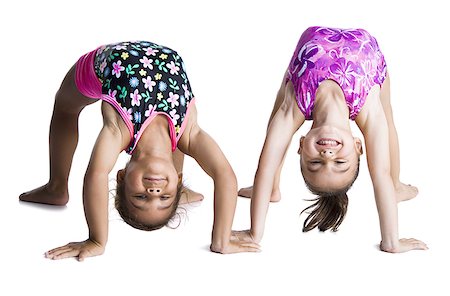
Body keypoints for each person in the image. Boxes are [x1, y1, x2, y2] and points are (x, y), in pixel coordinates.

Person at [19, 40, 260, 261]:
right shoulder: (188, 133)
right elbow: (224, 175)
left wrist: (96, 240)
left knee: (65, 106)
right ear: (176, 182)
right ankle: (179, 190)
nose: (154, 190)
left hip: (103, 63)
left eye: (141, 197)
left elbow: (96, 174)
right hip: (160, 52)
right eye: (164, 197)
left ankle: (57, 187)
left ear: (122, 176)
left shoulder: (119, 132)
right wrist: (222, 239)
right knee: (172, 143)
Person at [235, 26, 427, 253]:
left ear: (300, 144)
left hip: (307, 57)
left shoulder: (296, 105)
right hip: (370, 58)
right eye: (340, 163)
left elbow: (266, 167)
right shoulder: (368, 108)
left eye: (315, 163)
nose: (327, 156)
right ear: (358, 147)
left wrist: (254, 233)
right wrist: (391, 241)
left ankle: (270, 189)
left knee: (280, 108)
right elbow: (380, 174)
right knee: (388, 118)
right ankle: (395, 187)